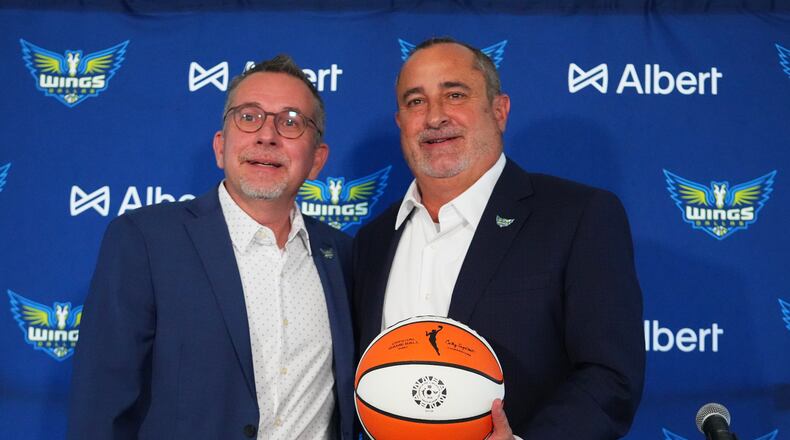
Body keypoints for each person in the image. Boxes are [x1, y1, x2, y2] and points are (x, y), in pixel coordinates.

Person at [352, 38, 645, 439]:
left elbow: (610, 376)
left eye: (455, 94)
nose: (435, 117)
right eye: (415, 101)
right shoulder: (371, 241)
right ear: (400, 122)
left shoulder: (577, 216)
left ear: (499, 111)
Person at [68, 55, 355, 440]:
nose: (267, 135)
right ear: (221, 147)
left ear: (317, 161)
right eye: (249, 117)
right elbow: (100, 409)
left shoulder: (345, 257)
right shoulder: (144, 240)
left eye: (290, 122)